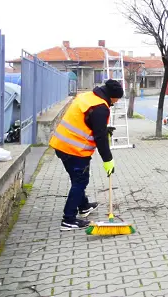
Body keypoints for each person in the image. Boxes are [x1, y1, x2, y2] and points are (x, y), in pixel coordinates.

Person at [49, 79, 123, 230]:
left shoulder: (87, 97)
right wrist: (108, 160)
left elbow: (87, 121)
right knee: (80, 181)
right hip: (75, 150)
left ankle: (83, 206)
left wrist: (103, 129)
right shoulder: (100, 107)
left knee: (77, 178)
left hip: (61, 145)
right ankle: (68, 219)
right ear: (111, 96)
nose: (116, 102)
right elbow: (100, 137)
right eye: (116, 99)